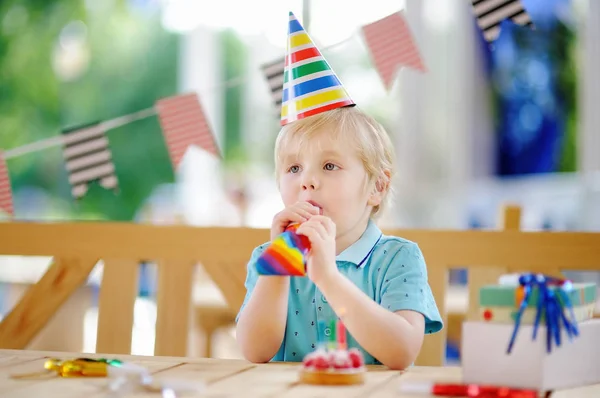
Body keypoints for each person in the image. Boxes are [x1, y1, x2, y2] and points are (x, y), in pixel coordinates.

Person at [235, 11, 443, 370]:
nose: (307, 181)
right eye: (294, 168)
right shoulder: (270, 258)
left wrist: (328, 276)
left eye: (329, 166)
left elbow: (402, 352)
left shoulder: (397, 259)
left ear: (377, 187)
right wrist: (280, 262)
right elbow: (255, 351)